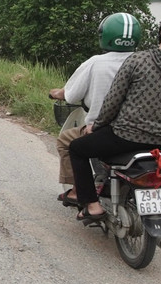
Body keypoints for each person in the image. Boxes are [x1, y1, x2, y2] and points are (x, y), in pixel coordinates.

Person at [68, 6, 161, 226]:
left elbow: (113, 100)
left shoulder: (138, 60)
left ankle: (92, 205)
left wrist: (97, 125)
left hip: (123, 137)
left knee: (77, 148)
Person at [49, 13, 143, 207]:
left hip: (105, 131)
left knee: (67, 141)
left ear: (105, 35)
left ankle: (78, 192)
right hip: (140, 131)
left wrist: (56, 93)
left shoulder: (95, 62)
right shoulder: (144, 63)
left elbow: (71, 95)